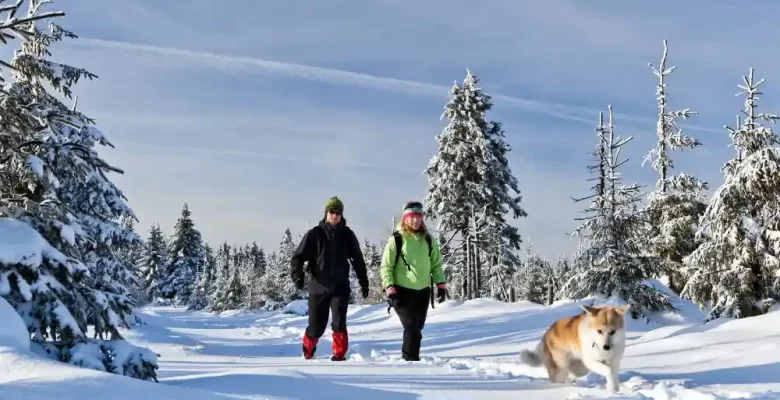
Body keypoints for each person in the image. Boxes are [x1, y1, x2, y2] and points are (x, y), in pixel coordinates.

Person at [290, 196, 369, 361]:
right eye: (332, 212)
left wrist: (363, 280)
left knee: (339, 324)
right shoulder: (315, 234)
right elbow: (298, 257)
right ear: (326, 213)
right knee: (316, 327)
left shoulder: (347, 235)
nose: (335, 215)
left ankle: (339, 356)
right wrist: (298, 276)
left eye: (338, 213)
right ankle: (308, 350)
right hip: (318, 288)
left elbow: (357, 259)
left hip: (340, 287)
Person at [381, 200, 447, 361]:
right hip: (401, 291)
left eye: (419, 216)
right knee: (411, 328)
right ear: (405, 218)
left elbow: (436, 264)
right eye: (412, 217)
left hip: (423, 292)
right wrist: (390, 288)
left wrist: (441, 285)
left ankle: (411, 358)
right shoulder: (397, 240)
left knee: (417, 327)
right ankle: (411, 361)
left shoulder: (428, 240)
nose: (416, 220)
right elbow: (386, 266)